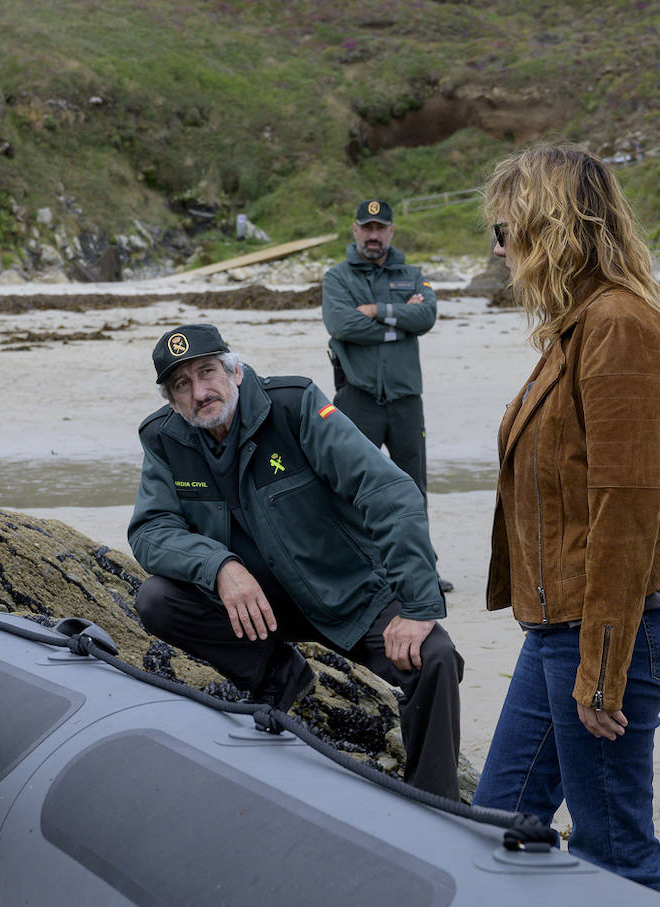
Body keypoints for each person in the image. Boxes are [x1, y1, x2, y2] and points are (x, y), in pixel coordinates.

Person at [472, 145, 660, 895]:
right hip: (563, 627)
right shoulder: (576, 328)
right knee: (500, 823)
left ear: (553, 228)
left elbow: (627, 505)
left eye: (506, 232)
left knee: (615, 854)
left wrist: (602, 669)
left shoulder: (619, 327)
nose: (498, 250)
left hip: (617, 626)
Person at [128, 323, 463, 799]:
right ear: (172, 399)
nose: (200, 392)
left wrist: (417, 605)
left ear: (235, 371)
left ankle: (436, 800)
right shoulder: (165, 439)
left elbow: (388, 492)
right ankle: (279, 675)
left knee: (435, 657)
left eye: (207, 372)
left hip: (348, 593)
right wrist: (221, 567)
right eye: (182, 384)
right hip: (261, 608)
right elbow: (151, 530)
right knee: (158, 600)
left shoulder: (295, 404)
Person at [321, 199, 452, 594]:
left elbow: (426, 317)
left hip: (406, 399)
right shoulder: (337, 278)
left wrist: (376, 309)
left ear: (391, 231)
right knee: (349, 486)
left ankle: (422, 571)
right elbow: (342, 324)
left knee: (413, 486)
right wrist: (399, 321)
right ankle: (355, 571)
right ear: (355, 230)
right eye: (367, 228)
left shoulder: (412, 274)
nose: (373, 235)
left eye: (381, 228)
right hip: (356, 397)